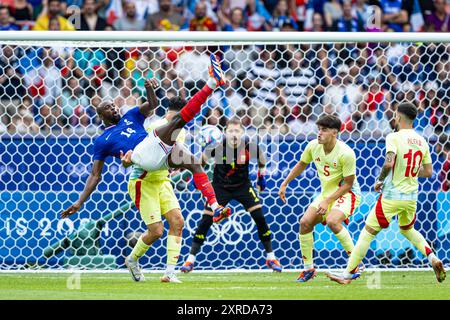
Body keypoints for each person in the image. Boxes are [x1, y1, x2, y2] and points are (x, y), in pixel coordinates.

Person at [61, 55, 231, 283]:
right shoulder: (103, 140)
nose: (114, 107)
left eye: (113, 104)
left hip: (159, 169)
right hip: (143, 170)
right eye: (108, 108)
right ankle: (132, 259)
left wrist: (150, 88)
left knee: (189, 179)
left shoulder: (131, 116)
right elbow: (95, 174)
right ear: (102, 117)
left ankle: (210, 212)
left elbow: (151, 105)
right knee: (156, 231)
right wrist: (80, 202)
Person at [327, 102, 446, 284]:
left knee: (367, 232)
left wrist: (380, 180)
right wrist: (411, 169)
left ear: (398, 117)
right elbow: (428, 172)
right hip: (411, 197)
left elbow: (389, 163)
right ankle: (432, 258)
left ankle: (348, 274)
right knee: (408, 229)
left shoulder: (394, 137)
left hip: (392, 196)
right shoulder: (422, 140)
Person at [180, 118, 283, 273]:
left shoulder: (250, 146)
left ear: (242, 133)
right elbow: (200, 162)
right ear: (225, 133)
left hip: (243, 186)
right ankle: (190, 261)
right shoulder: (215, 145)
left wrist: (261, 177)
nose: (234, 134)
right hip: (220, 187)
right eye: (230, 131)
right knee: (205, 221)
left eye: (237, 131)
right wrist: (195, 177)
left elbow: (262, 160)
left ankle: (271, 257)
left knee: (260, 218)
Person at [278, 114, 363, 282]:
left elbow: (348, 184)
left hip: (347, 194)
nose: (319, 133)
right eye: (319, 129)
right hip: (326, 194)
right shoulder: (313, 146)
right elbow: (302, 164)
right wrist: (285, 183)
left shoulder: (346, 153)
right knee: (305, 223)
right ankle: (308, 269)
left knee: (333, 221)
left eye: (324, 130)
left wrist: (327, 201)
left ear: (335, 132)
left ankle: (356, 264)